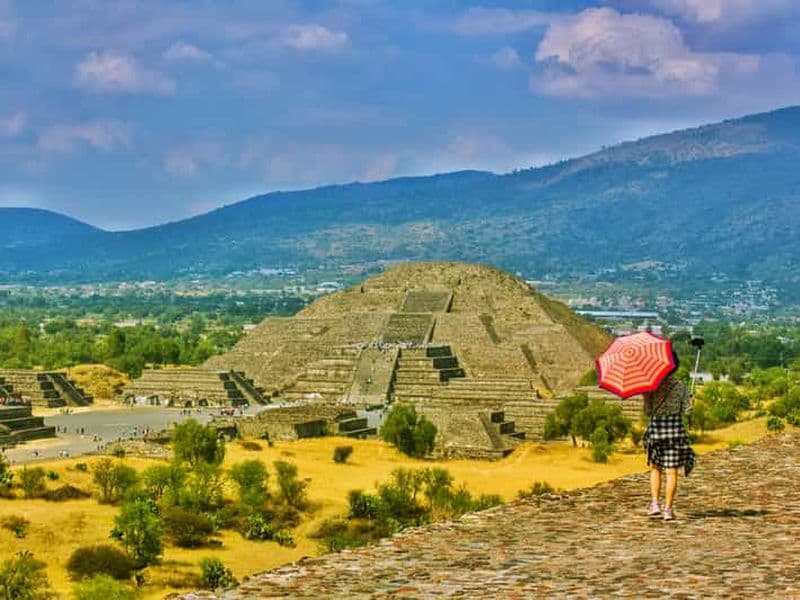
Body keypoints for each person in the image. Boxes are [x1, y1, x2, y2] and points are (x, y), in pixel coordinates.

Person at [642, 353, 696, 522]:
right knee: (672, 472)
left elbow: (648, 412)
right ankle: (668, 509)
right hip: (675, 433)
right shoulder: (681, 387)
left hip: (657, 432)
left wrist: (646, 397)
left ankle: (655, 504)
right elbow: (687, 412)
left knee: (655, 468)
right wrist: (691, 401)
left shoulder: (652, 386)